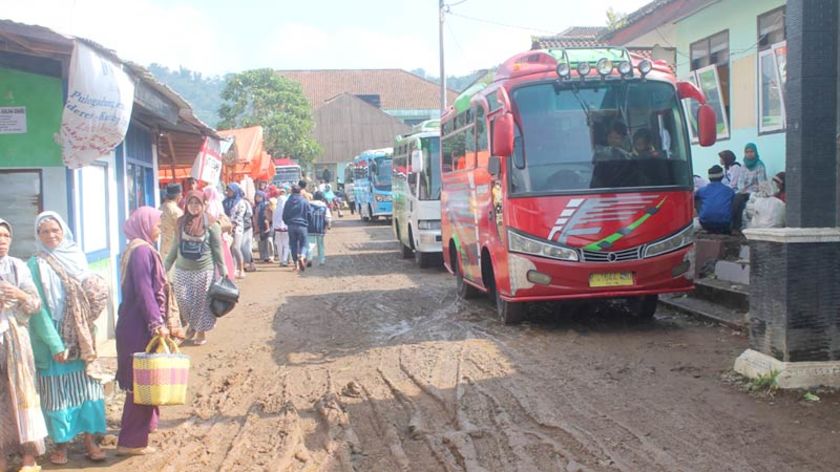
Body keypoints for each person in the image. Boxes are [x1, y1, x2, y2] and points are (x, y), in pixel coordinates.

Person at [27, 212, 107, 465]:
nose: (51, 236)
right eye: (45, 232)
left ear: (64, 231)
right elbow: (38, 310)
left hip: (81, 337)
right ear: (38, 235)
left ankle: (90, 440)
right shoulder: (34, 264)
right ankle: (60, 444)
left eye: (55, 230)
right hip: (53, 338)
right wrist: (55, 344)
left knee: (87, 388)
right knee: (57, 392)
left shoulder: (76, 255)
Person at [116, 207, 180, 456]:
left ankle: (147, 424)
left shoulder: (136, 248)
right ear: (144, 224)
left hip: (133, 323)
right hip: (139, 326)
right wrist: (157, 323)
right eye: (156, 224)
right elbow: (145, 291)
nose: (158, 228)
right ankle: (130, 442)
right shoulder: (142, 251)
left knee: (149, 378)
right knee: (141, 383)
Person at [0, 218, 48, 472]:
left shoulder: (18, 267)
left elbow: (35, 304)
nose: (2, 241)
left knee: (23, 395)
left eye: (6, 236)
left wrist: (18, 295)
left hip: (16, 341)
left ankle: (29, 456)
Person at [165, 191, 227, 346]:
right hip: (182, 269)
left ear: (204, 204)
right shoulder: (180, 223)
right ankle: (192, 325)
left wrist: (223, 269)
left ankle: (200, 332)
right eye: (191, 203)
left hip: (204, 270)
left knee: (200, 304)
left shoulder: (212, 224)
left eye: (197, 203)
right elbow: (175, 246)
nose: (194, 207)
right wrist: (164, 267)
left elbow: (217, 249)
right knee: (183, 301)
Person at [732, 143, 769, 230]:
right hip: (744, 191)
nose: (749, 154)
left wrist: (756, 192)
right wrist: (742, 189)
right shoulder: (743, 165)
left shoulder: (760, 165)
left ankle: (737, 226)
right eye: (747, 152)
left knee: (741, 200)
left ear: (755, 152)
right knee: (736, 200)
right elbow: (740, 181)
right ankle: (735, 226)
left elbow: (761, 182)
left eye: (751, 151)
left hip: (755, 192)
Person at [204, 186, 236, 279]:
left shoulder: (208, 205)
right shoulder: (219, 204)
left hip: (211, 235)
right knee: (223, 257)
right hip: (222, 235)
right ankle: (226, 276)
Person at [695, 165, 735, 234]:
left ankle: (704, 216)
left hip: (705, 223)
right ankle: (734, 228)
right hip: (724, 224)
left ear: (709, 178)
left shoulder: (702, 190)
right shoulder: (729, 191)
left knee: (697, 198)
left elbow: (693, 198)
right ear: (722, 177)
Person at [283, 185, 311, 272]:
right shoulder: (304, 201)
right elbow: (309, 214)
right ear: (300, 191)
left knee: (293, 244)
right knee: (304, 243)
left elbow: (284, 215)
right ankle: (302, 256)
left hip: (291, 225)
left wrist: (288, 223)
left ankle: (296, 265)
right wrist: (307, 222)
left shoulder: (288, 201)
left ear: (291, 191)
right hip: (302, 225)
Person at [223, 183, 249, 279]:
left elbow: (239, 216)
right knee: (229, 250)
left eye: (230, 190)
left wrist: (232, 225)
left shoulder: (240, 202)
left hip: (237, 228)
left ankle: (241, 269)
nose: (228, 192)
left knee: (236, 248)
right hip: (226, 228)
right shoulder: (225, 202)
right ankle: (232, 269)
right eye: (228, 190)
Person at [307, 192, 332, 267]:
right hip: (320, 228)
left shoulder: (309, 205)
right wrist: (328, 226)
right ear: (322, 198)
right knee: (320, 245)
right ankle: (322, 260)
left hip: (310, 228)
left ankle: (309, 258)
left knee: (310, 244)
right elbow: (328, 218)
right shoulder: (324, 206)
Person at [159, 184, 183, 259]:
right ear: (178, 196)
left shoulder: (160, 208)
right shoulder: (177, 211)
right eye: (181, 194)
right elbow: (181, 233)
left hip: (163, 250)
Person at [273, 187, 291, 267]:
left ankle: (281, 260)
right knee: (286, 244)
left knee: (279, 244)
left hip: (277, 229)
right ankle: (284, 260)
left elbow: (274, 219)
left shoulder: (276, 208)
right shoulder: (288, 208)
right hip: (286, 228)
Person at [254, 191, 272, 263]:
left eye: (259, 196)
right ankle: (262, 256)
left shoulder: (265, 205)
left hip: (265, 225)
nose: (257, 198)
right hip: (259, 225)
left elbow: (266, 214)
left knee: (266, 241)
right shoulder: (256, 206)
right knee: (260, 241)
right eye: (256, 196)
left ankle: (267, 256)